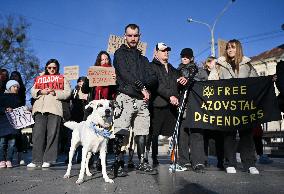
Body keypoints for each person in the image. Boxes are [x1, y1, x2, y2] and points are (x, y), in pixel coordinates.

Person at [112, 23, 157, 177]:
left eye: (135, 35)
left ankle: (143, 162)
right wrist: (141, 87)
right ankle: (117, 162)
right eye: (129, 35)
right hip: (125, 96)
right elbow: (124, 74)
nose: (132, 38)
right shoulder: (119, 53)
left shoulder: (144, 59)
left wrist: (146, 87)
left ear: (139, 36)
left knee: (142, 131)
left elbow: (152, 77)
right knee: (121, 129)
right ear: (125, 36)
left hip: (142, 101)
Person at [209, 39, 259, 174]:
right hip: (227, 105)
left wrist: (268, 80)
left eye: (233, 48)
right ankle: (230, 162)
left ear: (238, 49)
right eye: (228, 48)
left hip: (244, 106)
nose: (230, 50)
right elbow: (211, 82)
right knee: (229, 134)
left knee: (246, 134)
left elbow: (256, 82)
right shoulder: (219, 65)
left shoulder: (248, 65)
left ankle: (249, 164)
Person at [27, 59, 71, 168]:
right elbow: (32, 92)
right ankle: (36, 160)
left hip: (55, 109)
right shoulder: (40, 79)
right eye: (49, 67)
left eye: (54, 68)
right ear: (46, 68)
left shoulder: (62, 78)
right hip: (39, 109)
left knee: (53, 134)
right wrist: (40, 92)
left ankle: (49, 159)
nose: (52, 69)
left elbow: (67, 93)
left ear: (57, 68)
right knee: (38, 135)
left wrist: (55, 92)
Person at [150, 43, 188, 168]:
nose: (166, 52)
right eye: (162, 50)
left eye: (167, 50)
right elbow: (157, 85)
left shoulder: (173, 69)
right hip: (158, 105)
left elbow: (178, 86)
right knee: (155, 133)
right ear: (156, 52)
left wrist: (183, 81)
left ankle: (173, 159)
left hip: (172, 107)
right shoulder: (151, 67)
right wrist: (169, 96)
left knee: (173, 134)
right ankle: (154, 160)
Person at [0, 80, 21, 168]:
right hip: (3, 123)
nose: (16, 88)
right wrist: (5, 109)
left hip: (14, 124)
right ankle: (1, 160)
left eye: (17, 87)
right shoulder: (2, 96)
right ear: (9, 87)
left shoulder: (18, 98)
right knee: (2, 142)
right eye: (14, 86)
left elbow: (20, 109)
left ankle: (9, 159)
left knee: (12, 143)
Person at [9, 71, 28, 165]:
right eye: (12, 76)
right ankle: (8, 158)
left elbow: (23, 101)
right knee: (8, 136)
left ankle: (20, 156)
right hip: (8, 113)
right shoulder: (7, 87)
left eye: (16, 76)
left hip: (18, 113)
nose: (14, 77)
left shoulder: (22, 89)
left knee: (18, 135)